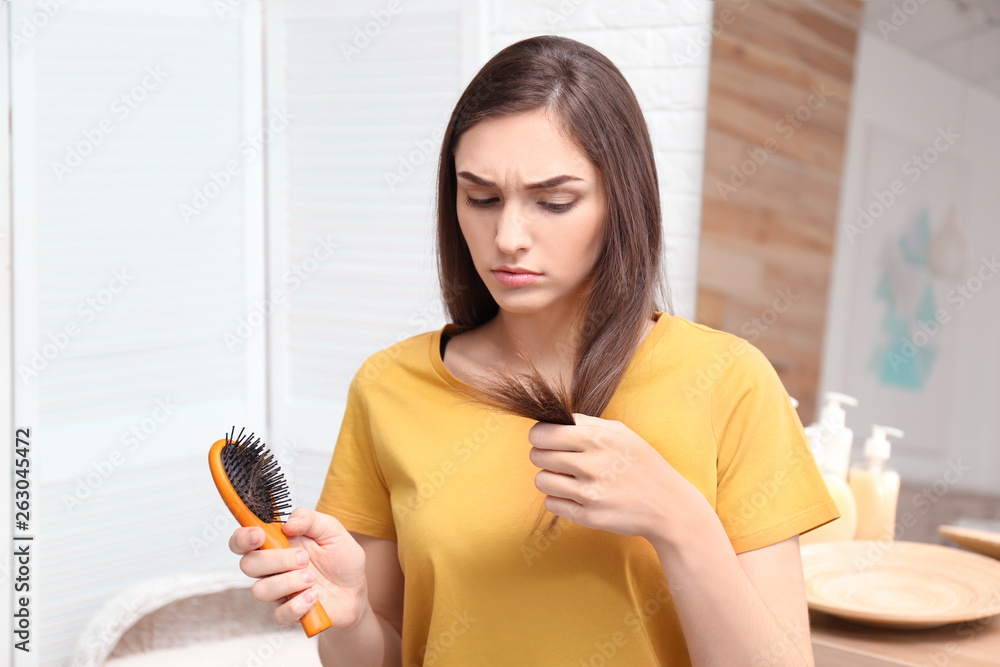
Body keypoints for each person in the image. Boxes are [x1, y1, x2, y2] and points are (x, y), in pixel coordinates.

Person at [228, 35, 839, 666]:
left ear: (620, 202)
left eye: (554, 201)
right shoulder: (389, 387)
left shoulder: (726, 382)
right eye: (481, 198)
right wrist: (347, 615)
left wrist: (678, 520)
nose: (508, 237)